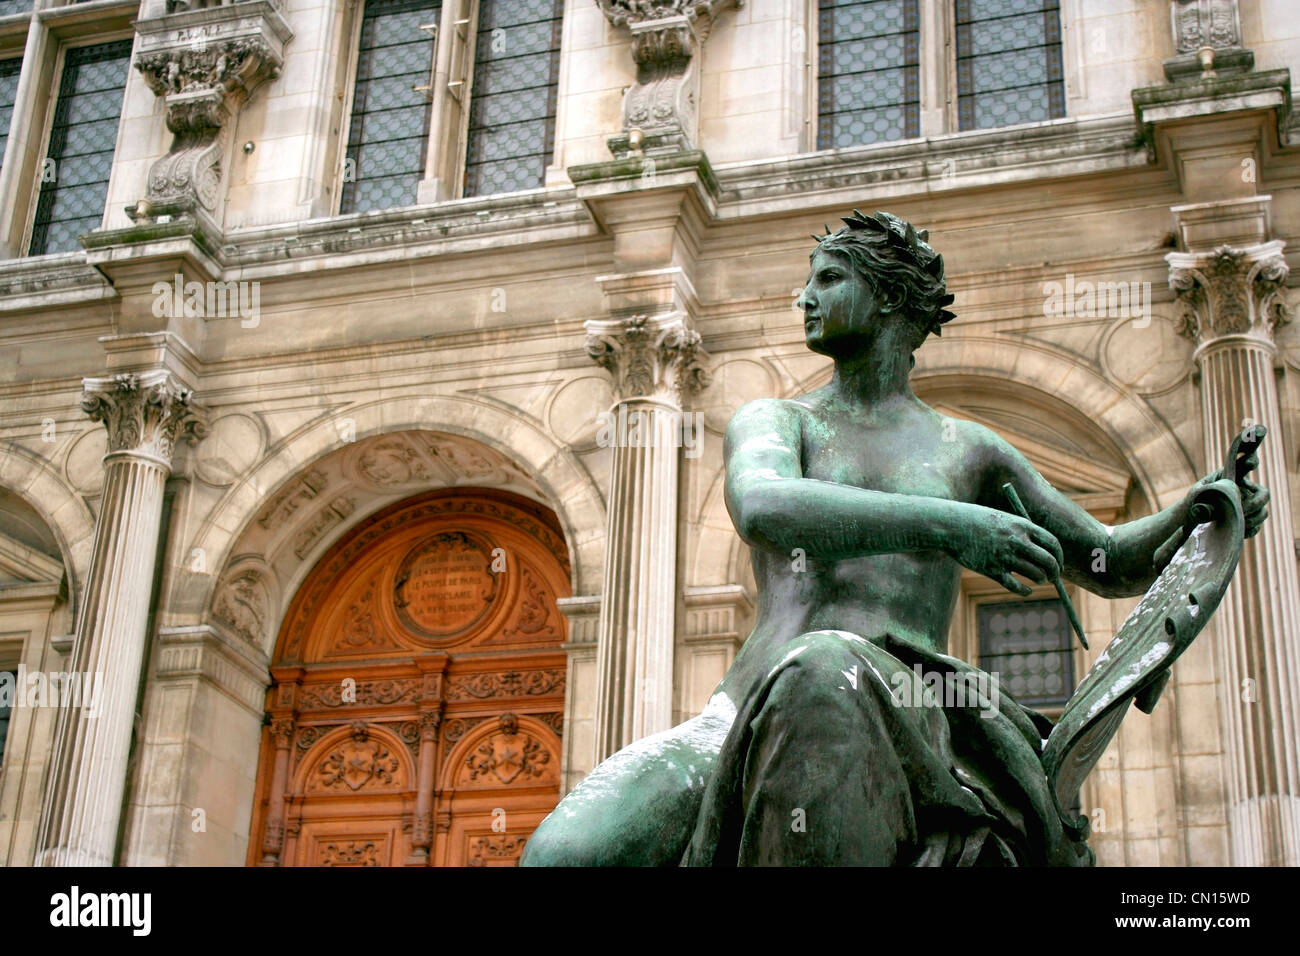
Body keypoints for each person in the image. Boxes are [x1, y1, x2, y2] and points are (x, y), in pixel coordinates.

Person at [520, 209, 1270, 866]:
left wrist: (1203, 510)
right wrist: (955, 525)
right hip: (741, 708)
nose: (804, 297)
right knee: (570, 851)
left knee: (825, 667)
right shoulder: (779, 421)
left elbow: (1111, 561)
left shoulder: (968, 450)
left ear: (884, 297)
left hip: (913, 705)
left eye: (828, 278)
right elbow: (765, 506)